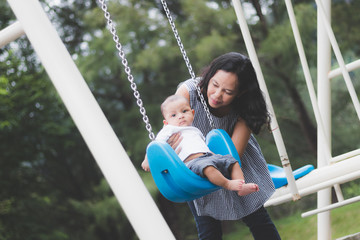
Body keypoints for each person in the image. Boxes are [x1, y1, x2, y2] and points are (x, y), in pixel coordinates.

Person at [168, 52, 280, 239]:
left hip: (232, 164)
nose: (217, 95)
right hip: (197, 166)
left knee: (258, 219)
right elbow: (171, 131)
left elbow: (233, 154)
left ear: (241, 92)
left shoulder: (246, 108)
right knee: (208, 228)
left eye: (227, 92)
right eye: (215, 85)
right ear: (209, 76)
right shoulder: (188, 92)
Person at [141, 95, 259, 196]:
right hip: (190, 164)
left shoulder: (195, 130)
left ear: (192, 113)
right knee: (208, 168)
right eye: (173, 115)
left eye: (184, 111)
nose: (180, 116)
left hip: (207, 157)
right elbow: (156, 144)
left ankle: (241, 185)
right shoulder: (169, 129)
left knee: (232, 161)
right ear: (166, 122)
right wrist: (148, 160)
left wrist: (215, 156)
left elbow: (203, 147)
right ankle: (228, 184)